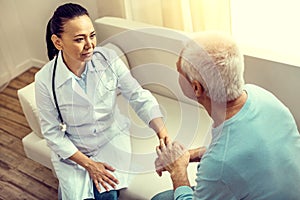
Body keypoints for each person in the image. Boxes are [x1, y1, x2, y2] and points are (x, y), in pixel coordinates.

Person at [35, 3, 169, 200]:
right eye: (79, 39)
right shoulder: (45, 80)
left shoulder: (108, 59)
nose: (90, 45)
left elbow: (137, 95)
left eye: (92, 35)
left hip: (110, 140)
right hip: (74, 149)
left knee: (107, 195)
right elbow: (52, 133)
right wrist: (89, 165)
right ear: (58, 42)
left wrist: (161, 132)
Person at [152, 31, 300, 200]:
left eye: (179, 69)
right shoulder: (264, 97)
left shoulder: (218, 166)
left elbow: (225, 160)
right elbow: (245, 153)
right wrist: (189, 156)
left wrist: (178, 171)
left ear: (196, 88)